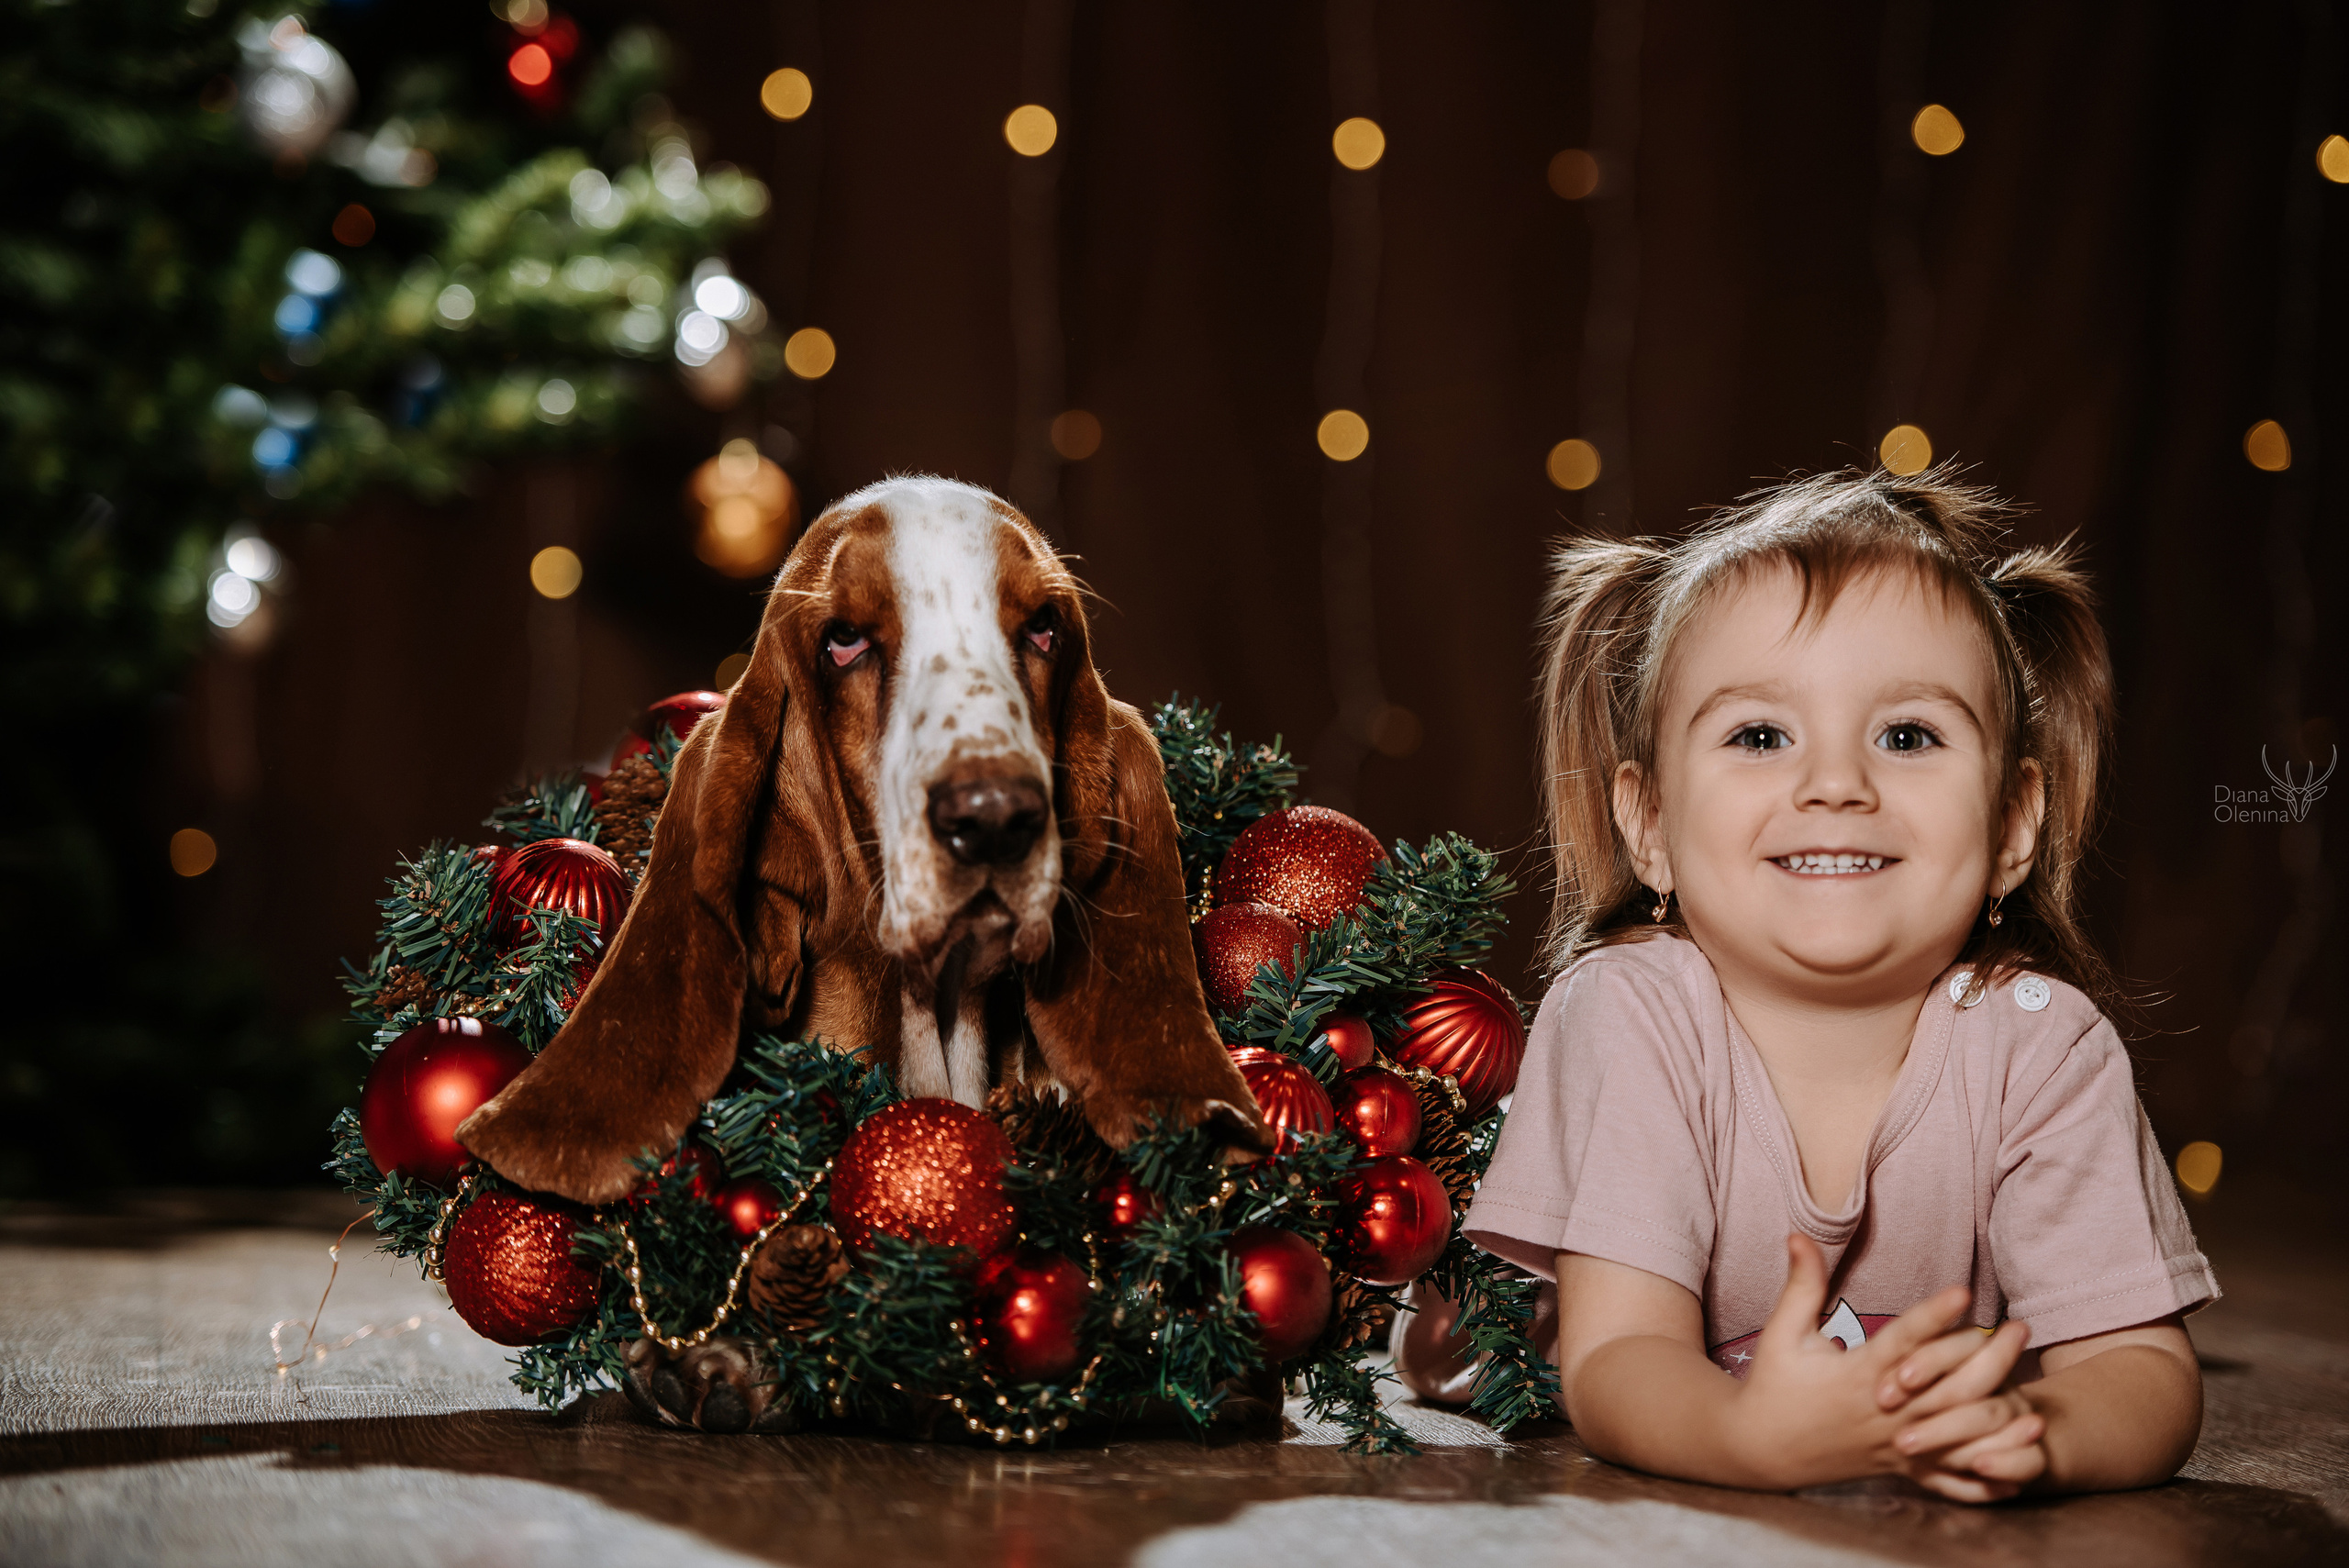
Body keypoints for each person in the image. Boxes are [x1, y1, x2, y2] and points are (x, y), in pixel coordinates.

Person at [1455, 468, 2214, 1501]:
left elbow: (2144, 1369)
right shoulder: (1628, 1011)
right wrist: (1747, 1437)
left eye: (1907, 736)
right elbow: (1618, 1357)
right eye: (1760, 735)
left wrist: (2037, 1429)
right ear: (1650, 825)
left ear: (2010, 827)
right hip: (1542, 1357)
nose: (1836, 784)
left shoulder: (2043, 1043)